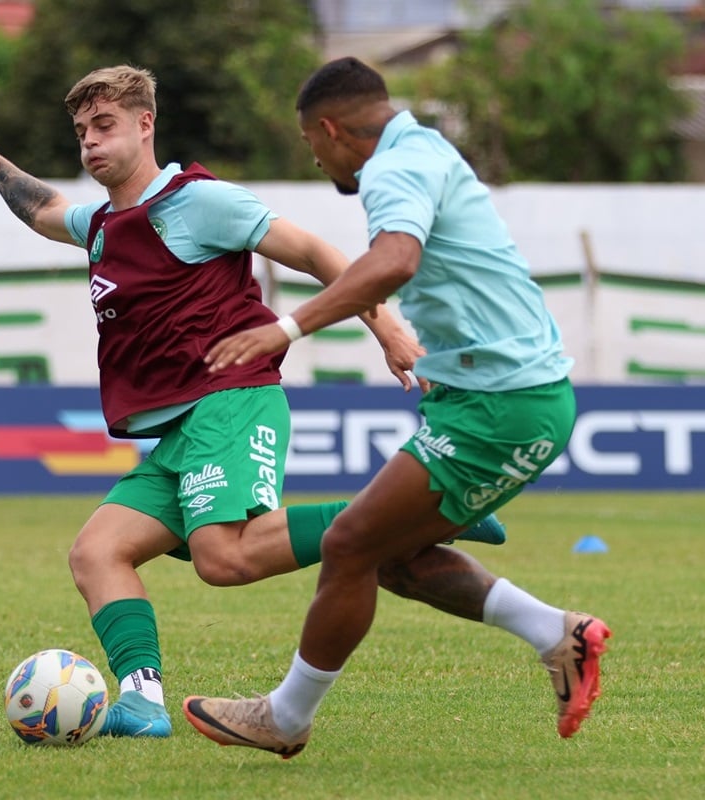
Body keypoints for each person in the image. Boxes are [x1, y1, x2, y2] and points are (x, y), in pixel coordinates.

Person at [0, 64, 507, 739]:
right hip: (177, 432)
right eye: (81, 132)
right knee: (96, 553)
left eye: (105, 126)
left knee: (224, 558)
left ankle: (419, 514)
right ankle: (143, 704)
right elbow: (39, 210)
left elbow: (313, 251)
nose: (90, 143)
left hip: (231, 400)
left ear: (145, 124)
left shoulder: (197, 200)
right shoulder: (100, 222)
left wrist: (387, 328)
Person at [182, 57, 611, 757]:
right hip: (496, 398)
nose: (314, 156)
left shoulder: (392, 168)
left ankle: (285, 718)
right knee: (393, 558)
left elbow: (396, 260)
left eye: (308, 142)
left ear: (330, 129)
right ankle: (555, 633)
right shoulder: (424, 148)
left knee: (349, 545)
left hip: (504, 405)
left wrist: (284, 327)